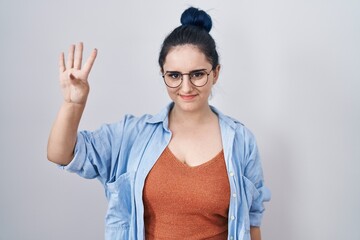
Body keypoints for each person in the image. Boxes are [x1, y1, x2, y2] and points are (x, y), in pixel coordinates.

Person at [47, 6, 270, 240]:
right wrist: (73, 105)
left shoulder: (241, 141)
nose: (185, 87)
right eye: (174, 75)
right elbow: (60, 154)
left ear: (215, 73)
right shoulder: (132, 135)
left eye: (197, 74)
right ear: (163, 74)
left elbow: (252, 223)